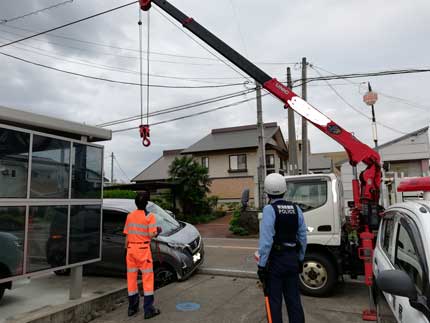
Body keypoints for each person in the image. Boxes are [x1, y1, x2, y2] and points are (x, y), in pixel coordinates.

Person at [257, 173, 307, 323]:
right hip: (292, 258)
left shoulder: (269, 210)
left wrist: (261, 266)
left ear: (267, 192)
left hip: (276, 262)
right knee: (294, 301)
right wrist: (300, 258)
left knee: (274, 302)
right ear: (285, 190)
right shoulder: (296, 209)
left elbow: (266, 242)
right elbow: (303, 237)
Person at [123, 191, 161, 319]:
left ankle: (132, 308)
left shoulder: (130, 216)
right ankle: (148, 310)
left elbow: (127, 235)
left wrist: (127, 250)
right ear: (146, 203)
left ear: (135, 203)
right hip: (143, 250)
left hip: (130, 250)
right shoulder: (149, 216)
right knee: (147, 280)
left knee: (131, 280)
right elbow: (151, 234)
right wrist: (157, 231)